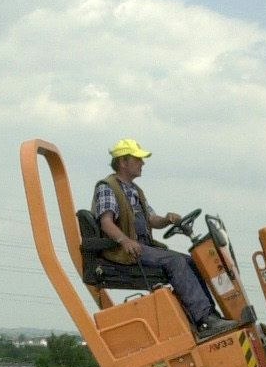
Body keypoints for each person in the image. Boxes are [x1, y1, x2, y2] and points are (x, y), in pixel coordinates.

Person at [93, 138, 237, 338]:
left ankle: (209, 316)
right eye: (138, 159)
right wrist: (125, 241)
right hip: (124, 251)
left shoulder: (135, 191)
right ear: (123, 162)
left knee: (192, 261)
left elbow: (152, 220)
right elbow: (106, 222)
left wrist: (167, 219)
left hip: (144, 247)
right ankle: (205, 319)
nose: (142, 163)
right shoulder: (107, 187)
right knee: (176, 261)